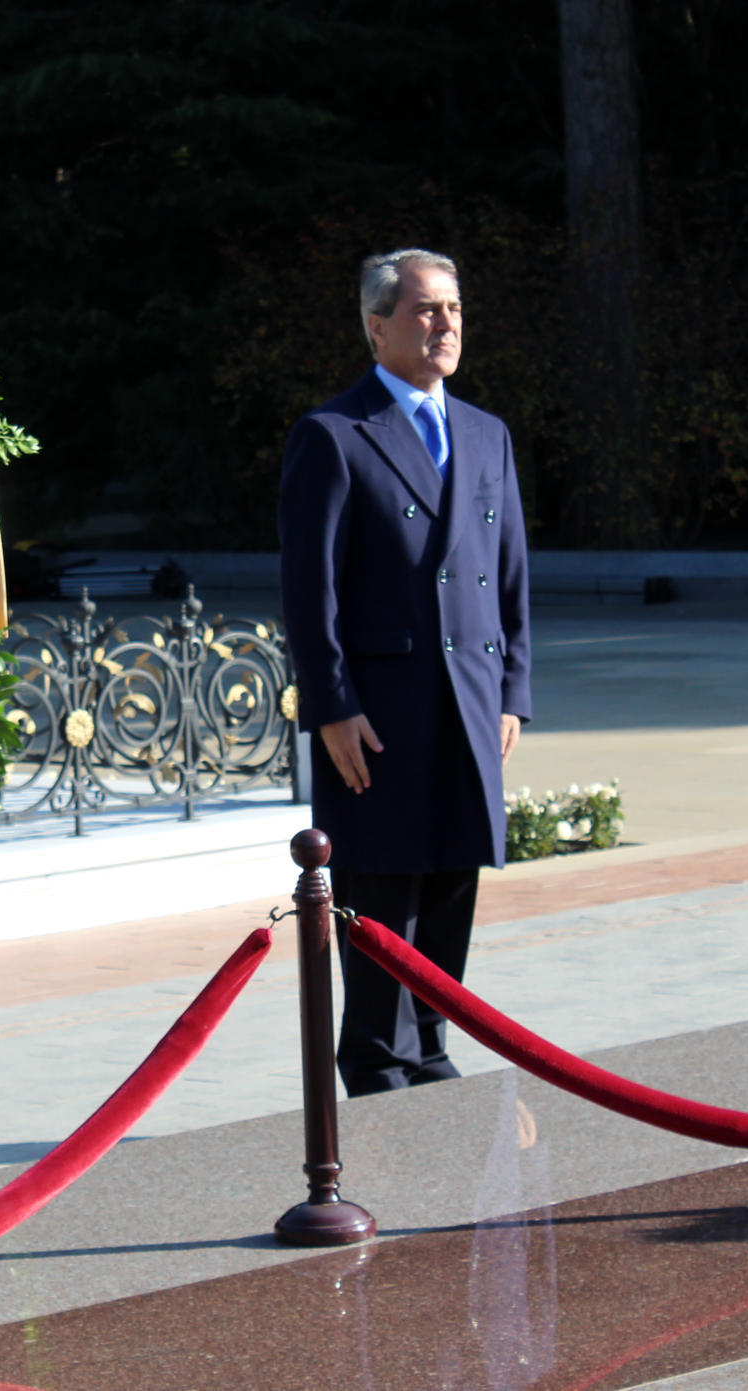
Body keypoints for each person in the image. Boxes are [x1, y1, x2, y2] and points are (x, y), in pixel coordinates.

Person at [278, 248, 532, 1097]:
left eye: (455, 307)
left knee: (452, 882)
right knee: (385, 895)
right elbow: (309, 591)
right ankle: (381, 1064)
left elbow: (512, 577)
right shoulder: (334, 436)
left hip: (468, 707)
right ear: (376, 325)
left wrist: (514, 694)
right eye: (425, 309)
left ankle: (432, 1047)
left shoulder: (487, 434)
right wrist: (331, 705)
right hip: (378, 718)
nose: (445, 324)